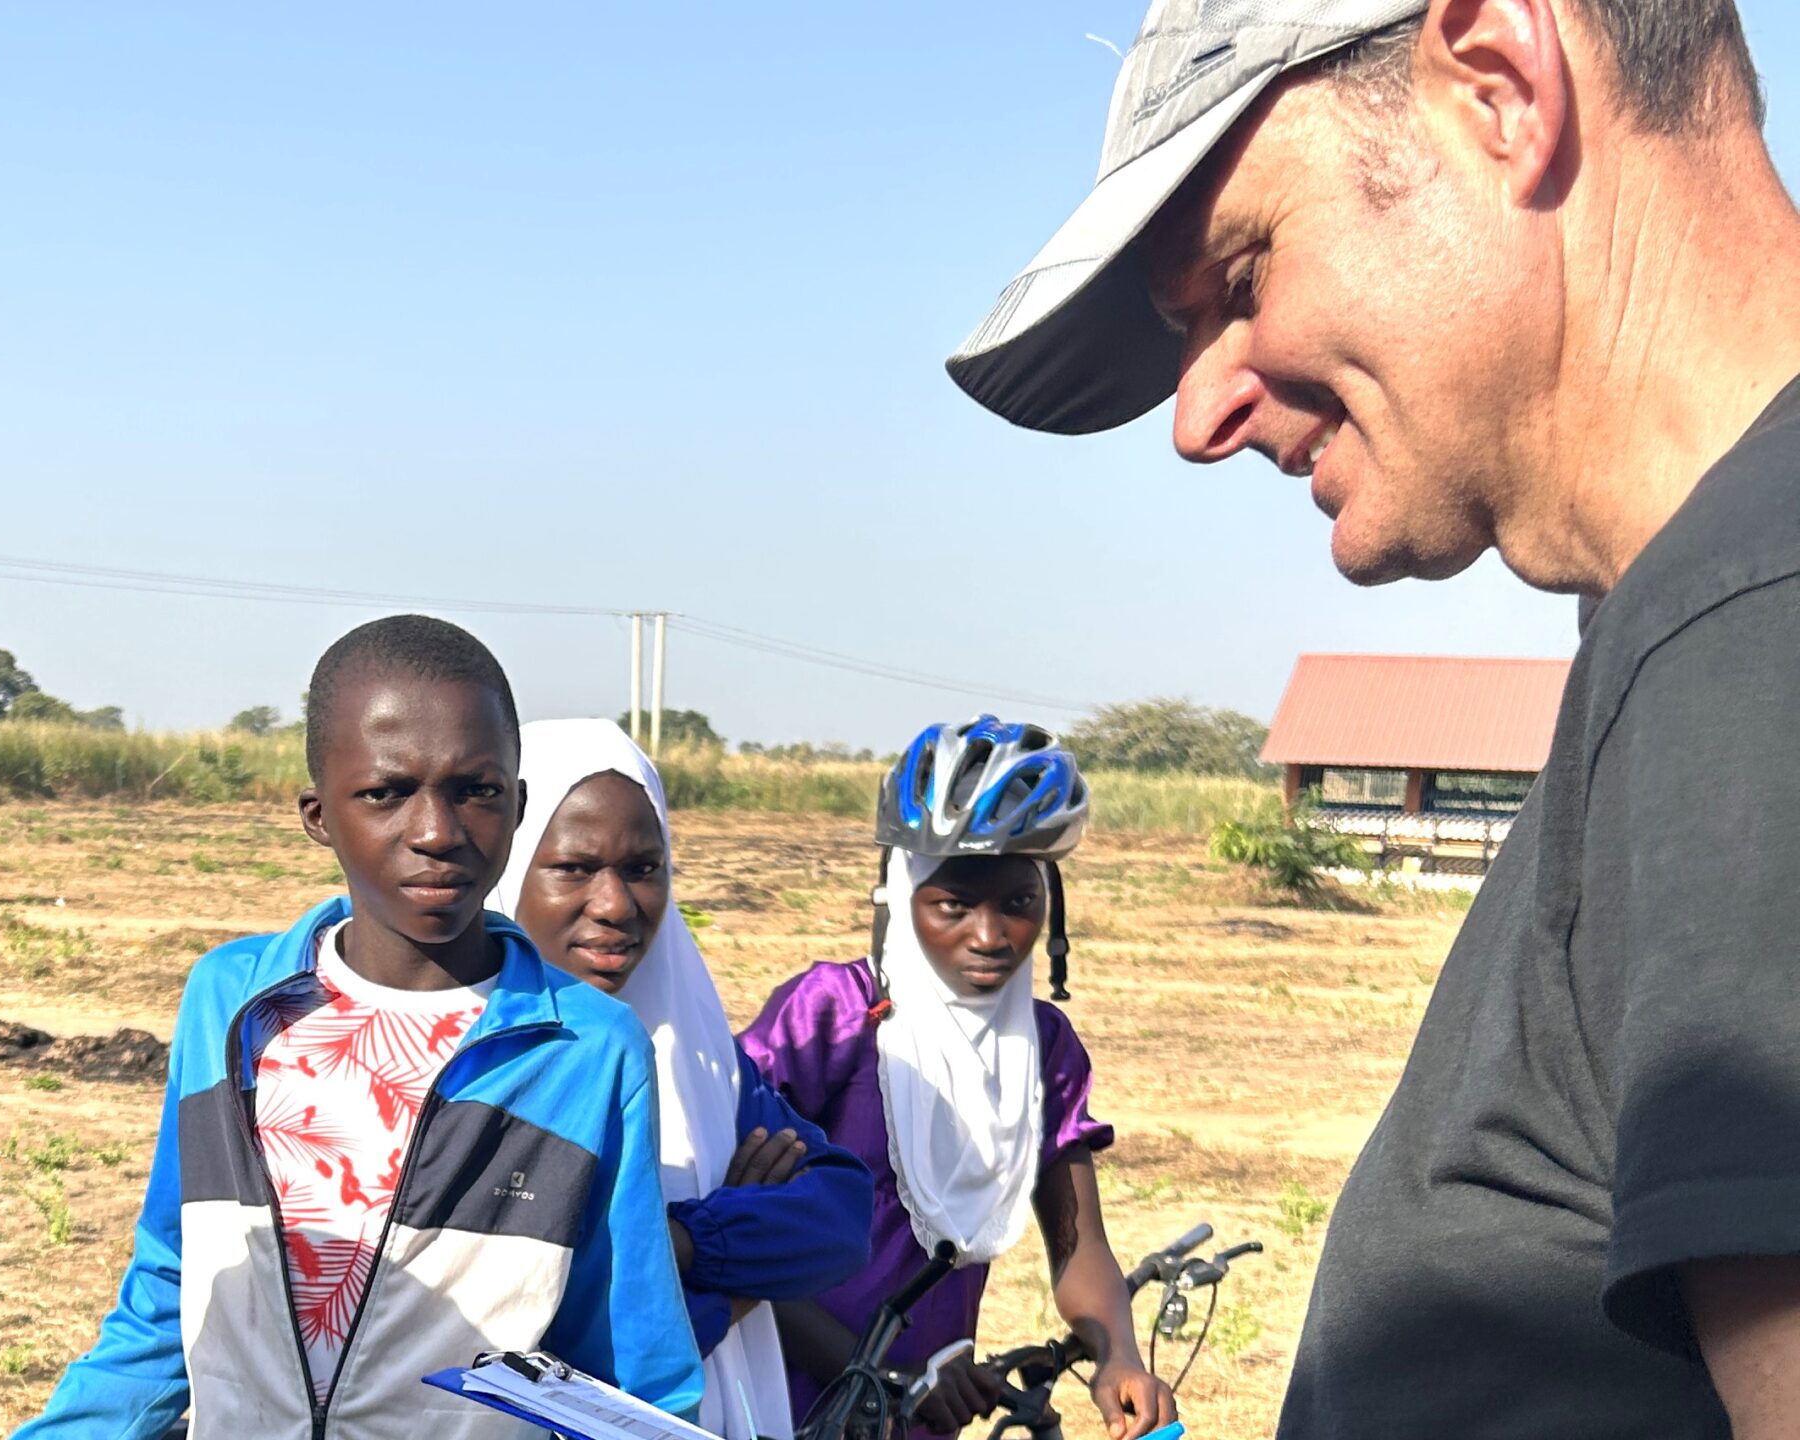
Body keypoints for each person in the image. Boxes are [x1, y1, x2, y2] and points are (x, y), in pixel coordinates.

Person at [944, 0, 1800, 1434]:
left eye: (1237, 277)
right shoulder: (1701, 625)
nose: (1199, 414)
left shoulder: (1752, 629)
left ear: (1500, 85)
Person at [15, 615, 703, 1439]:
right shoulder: (233, 1007)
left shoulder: (586, 1048)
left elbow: (632, 1368)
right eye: (385, 793)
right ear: (317, 814)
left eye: (476, 790)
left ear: (517, 805)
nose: (436, 832)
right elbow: (173, 1281)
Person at [741, 720, 1173, 1439]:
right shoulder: (832, 1019)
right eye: (952, 905)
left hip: (919, 1414)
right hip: (786, 1404)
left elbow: (1078, 1244)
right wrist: (876, 1375)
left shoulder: (1042, 1048)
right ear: (902, 897)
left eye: (1018, 903)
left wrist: (1118, 1355)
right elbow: (740, 1240)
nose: (989, 935)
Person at [487, 718, 873, 1439]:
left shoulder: (697, 1056)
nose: (616, 905)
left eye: (643, 867)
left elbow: (842, 1216)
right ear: (509, 872)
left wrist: (682, 1242)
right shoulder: (482, 1070)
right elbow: (564, 1358)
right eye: (573, 868)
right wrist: (739, 1284)